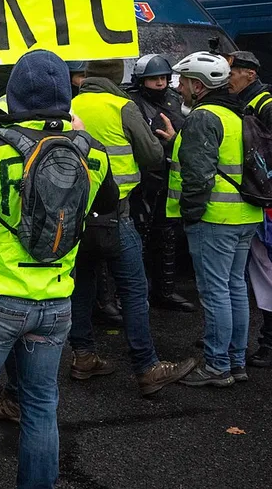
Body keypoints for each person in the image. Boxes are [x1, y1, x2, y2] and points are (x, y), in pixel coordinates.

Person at [0, 50, 119, 488]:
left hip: (0, 297)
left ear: (14, 95)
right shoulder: (92, 153)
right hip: (57, 301)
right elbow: (107, 212)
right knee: (42, 404)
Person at [69, 59, 195, 396]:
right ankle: (147, 366)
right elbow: (153, 156)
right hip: (117, 213)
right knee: (134, 289)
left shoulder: (69, 106)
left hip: (78, 216)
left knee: (82, 286)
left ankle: (83, 357)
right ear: (117, 77)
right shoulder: (122, 106)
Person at [168, 52, 262, 386]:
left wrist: (190, 215)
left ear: (198, 84)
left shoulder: (203, 117)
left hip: (215, 219)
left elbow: (197, 176)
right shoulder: (237, 113)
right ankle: (236, 362)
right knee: (235, 286)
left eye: (182, 81)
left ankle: (217, 366)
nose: (178, 88)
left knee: (215, 292)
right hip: (245, 214)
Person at [128, 54, 196, 312]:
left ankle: (165, 290)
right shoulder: (132, 102)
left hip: (170, 175)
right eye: (154, 78)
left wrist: (174, 140)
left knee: (168, 234)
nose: (160, 82)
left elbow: (186, 129)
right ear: (141, 80)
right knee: (142, 236)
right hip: (144, 178)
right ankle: (139, 294)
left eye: (163, 77)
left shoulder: (175, 99)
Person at [227, 51, 272, 368]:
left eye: (233, 73)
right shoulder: (247, 101)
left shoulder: (264, 105)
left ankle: (268, 343)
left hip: (265, 203)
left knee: (267, 273)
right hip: (257, 201)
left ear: (250, 75)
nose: (228, 78)